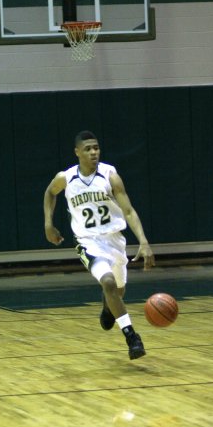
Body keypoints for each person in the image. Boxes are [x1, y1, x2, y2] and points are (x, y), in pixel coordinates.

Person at [43, 130, 155, 360]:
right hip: (88, 242)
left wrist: (143, 241)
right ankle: (132, 337)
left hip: (115, 240)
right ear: (77, 152)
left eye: (96, 148)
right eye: (88, 149)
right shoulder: (66, 177)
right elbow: (49, 193)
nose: (94, 152)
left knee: (118, 290)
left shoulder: (110, 175)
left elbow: (129, 210)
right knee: (108, 282)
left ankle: (108, 306)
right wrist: (48, 224)